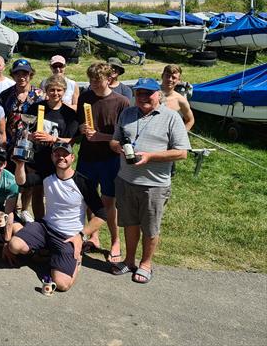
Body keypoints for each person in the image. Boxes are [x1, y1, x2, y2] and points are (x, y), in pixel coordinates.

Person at [110, 78, 190, 285]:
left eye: (149, 93)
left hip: (154, 184)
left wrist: (149, 157)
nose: (143, 97)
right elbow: (114, 140)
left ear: (158, 95)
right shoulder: (127, 113)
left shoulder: (172, 117)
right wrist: (117, 147)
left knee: (150, 227)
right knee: (129, 223)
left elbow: (182, 153)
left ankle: (146, 263)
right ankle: (129, 260)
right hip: (126, 179)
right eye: (139, 93)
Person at [4, 143, 107, 293]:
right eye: (57, 154)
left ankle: (76, 259)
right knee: (14, 246)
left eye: (65, 154)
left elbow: (102, 215)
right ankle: (47, 251)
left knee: (62, 284)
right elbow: (22, 181)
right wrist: (20, 165)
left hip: (68, 236)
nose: (61, 157)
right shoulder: (47, 174)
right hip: (45, 227)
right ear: (52, 157)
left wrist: (80, 235)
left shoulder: (83, 183)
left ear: (72, 157)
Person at [76, 62, 130, 265]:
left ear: (109, 79)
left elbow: (125, 136)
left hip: (110, 159)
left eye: (97, 81)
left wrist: (101, 137)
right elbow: (80, 124)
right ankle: (93, 236)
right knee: (88, 199)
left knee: (109, 202)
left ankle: (116, 241)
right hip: (87, 157)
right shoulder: (85, 97)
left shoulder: (122, 102)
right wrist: (82, 129)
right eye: (91, 81)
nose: (94, 85)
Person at [17, 74, 79, 221]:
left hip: (59, 159)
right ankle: (39, 222)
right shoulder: (36, 107)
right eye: (52, 90)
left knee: (55, 192)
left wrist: (53, 139)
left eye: (59, 90)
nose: (55, 93)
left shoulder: (69, 114)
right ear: (46, 90)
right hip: (37, 157)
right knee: (37, 191)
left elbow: (73, 140)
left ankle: (55, 221)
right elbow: (25, 128)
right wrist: (29, 135)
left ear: (64, 91)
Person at [0, 59, 43, 222]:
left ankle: (25, 209)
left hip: (32, 145)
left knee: (28, 180)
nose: (22, 76)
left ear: (30, 74)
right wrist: (2, 142)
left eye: (25, 73)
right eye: (18, 73)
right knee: (11, 178)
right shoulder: (6, 95)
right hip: (10, 144)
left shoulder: (39, 95)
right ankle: (11, 208)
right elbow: (0, 120)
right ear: (13, 75)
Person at [160, 64, 194, 130]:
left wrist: (181, 135)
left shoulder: (180, 100)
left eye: (174, 77)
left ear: (179, 80)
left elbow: (190, 120)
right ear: (162, 76)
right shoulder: (150, 93)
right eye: (167, 76)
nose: (170, 79)